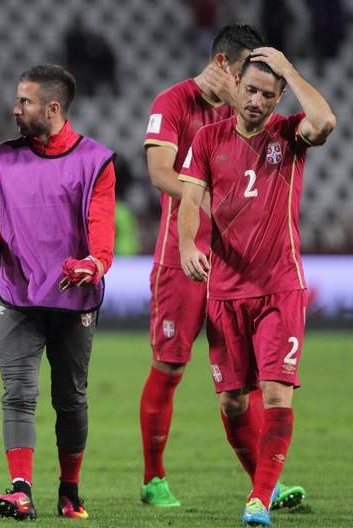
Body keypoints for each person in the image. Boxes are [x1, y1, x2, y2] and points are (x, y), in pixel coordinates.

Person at [0, 64, 116, 521]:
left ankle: (69, 491)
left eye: (24, 102)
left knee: (70, 400)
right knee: (17, 394)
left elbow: (101, 228)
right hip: (17, 297)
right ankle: (21, 490)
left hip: (73, 299)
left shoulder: (96, 161)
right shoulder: (4, 158)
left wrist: (95, 264)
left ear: (52, 108)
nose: (15, 109)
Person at [178, 49, 334, 527]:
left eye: (268, 94)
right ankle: (265, 485)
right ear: (237, 86)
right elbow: (190, 199)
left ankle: (259, 500)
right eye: (250, 89)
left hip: (280, 287)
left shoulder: (289, 135)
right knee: (232, 401)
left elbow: (325, 121)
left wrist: (289, 69)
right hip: (225, 290)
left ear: (279, 97)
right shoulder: (208, 138)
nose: (256, 101)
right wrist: (187, 244)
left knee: (276, 393)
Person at [139, 23, 266, 507]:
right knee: (169, 366)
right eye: (246, 74)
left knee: (242, 382)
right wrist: (207, 197)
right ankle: (153, 479)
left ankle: (264, 486)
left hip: (234, 265)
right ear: (221, 64)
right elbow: (159, 173)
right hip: (182, 258)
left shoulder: (245, 113)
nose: (252, 87)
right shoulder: (173, 103)